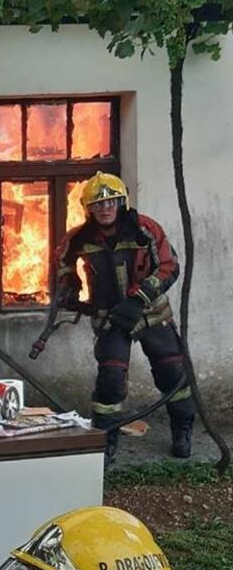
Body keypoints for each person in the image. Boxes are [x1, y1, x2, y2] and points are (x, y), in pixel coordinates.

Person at [54, 172, 194, 464]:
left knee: (172, 375)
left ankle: (182, 430)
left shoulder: (145, 230)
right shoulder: (80, 237)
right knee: (110, 380)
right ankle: (106, 442)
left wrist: (138, 299)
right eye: (98, 204)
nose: (105, 208)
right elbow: (62, 264)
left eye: (111, 202)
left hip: (152, 314)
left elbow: (168, 266)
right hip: (111, 320)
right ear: (88, 208)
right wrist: (70, 289)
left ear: (122, 202)